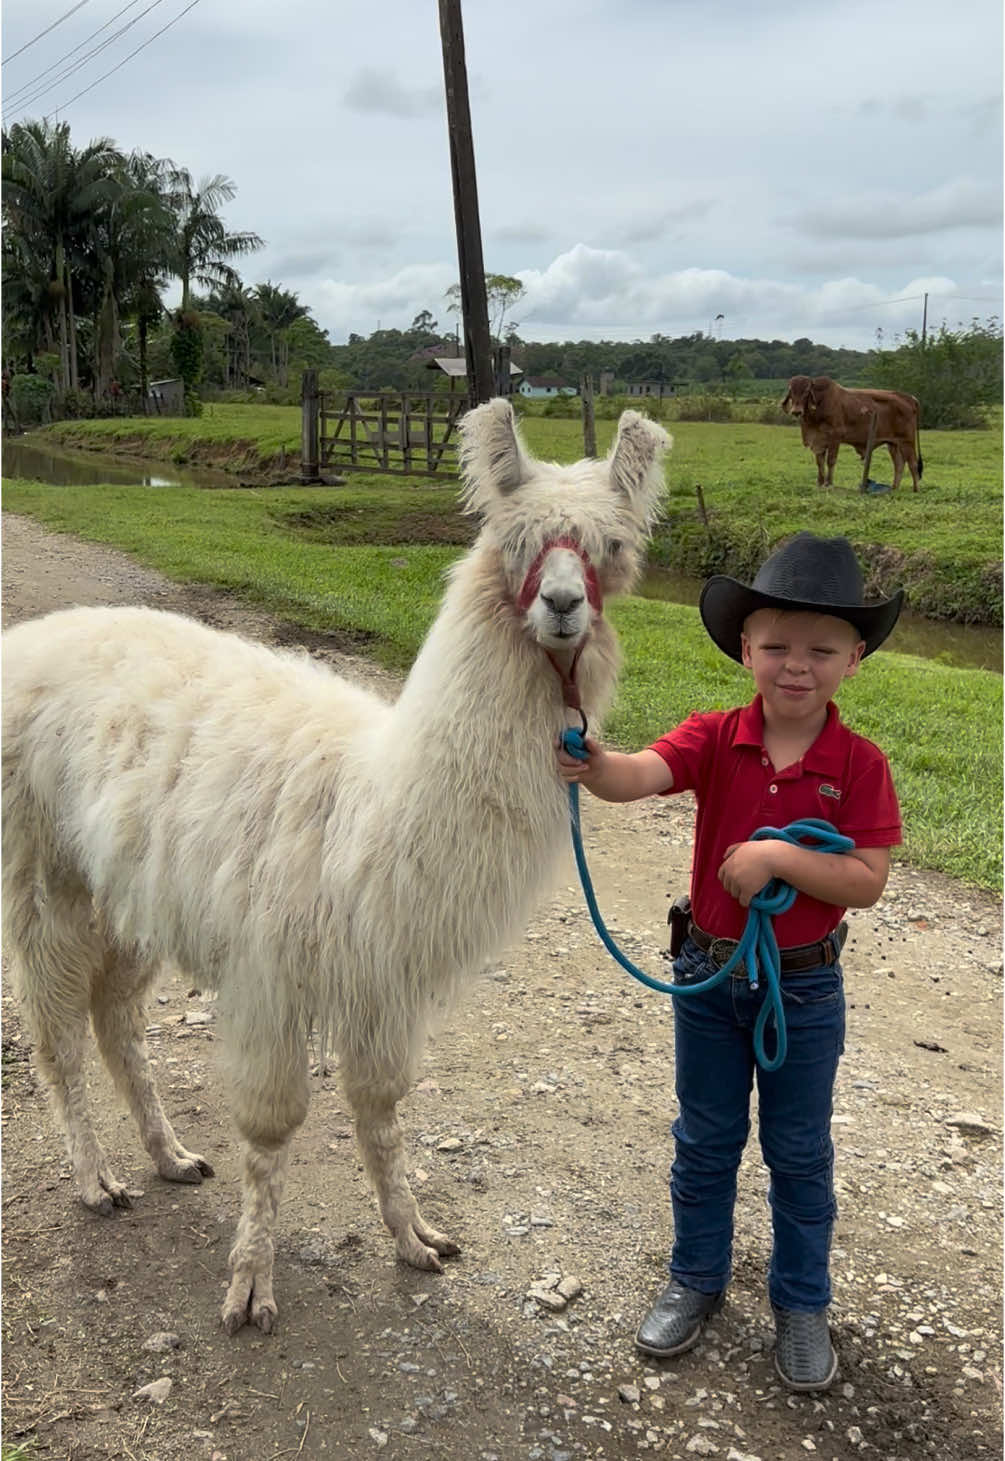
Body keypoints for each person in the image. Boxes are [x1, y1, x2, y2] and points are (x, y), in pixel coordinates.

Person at [557, 532, 903, 1392]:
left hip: (805, 989)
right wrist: (592, 761)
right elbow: (637, 775)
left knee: (798, 1150)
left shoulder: (859, 766)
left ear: (852, 659)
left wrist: (775, 858)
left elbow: (864, 880)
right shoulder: (714, 736)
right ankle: (696, 1278)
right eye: (777, 645)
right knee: (705, 1139)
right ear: (745, 648)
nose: (796, 666)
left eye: (820, 649)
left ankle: (800, 1302)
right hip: (708, 980)